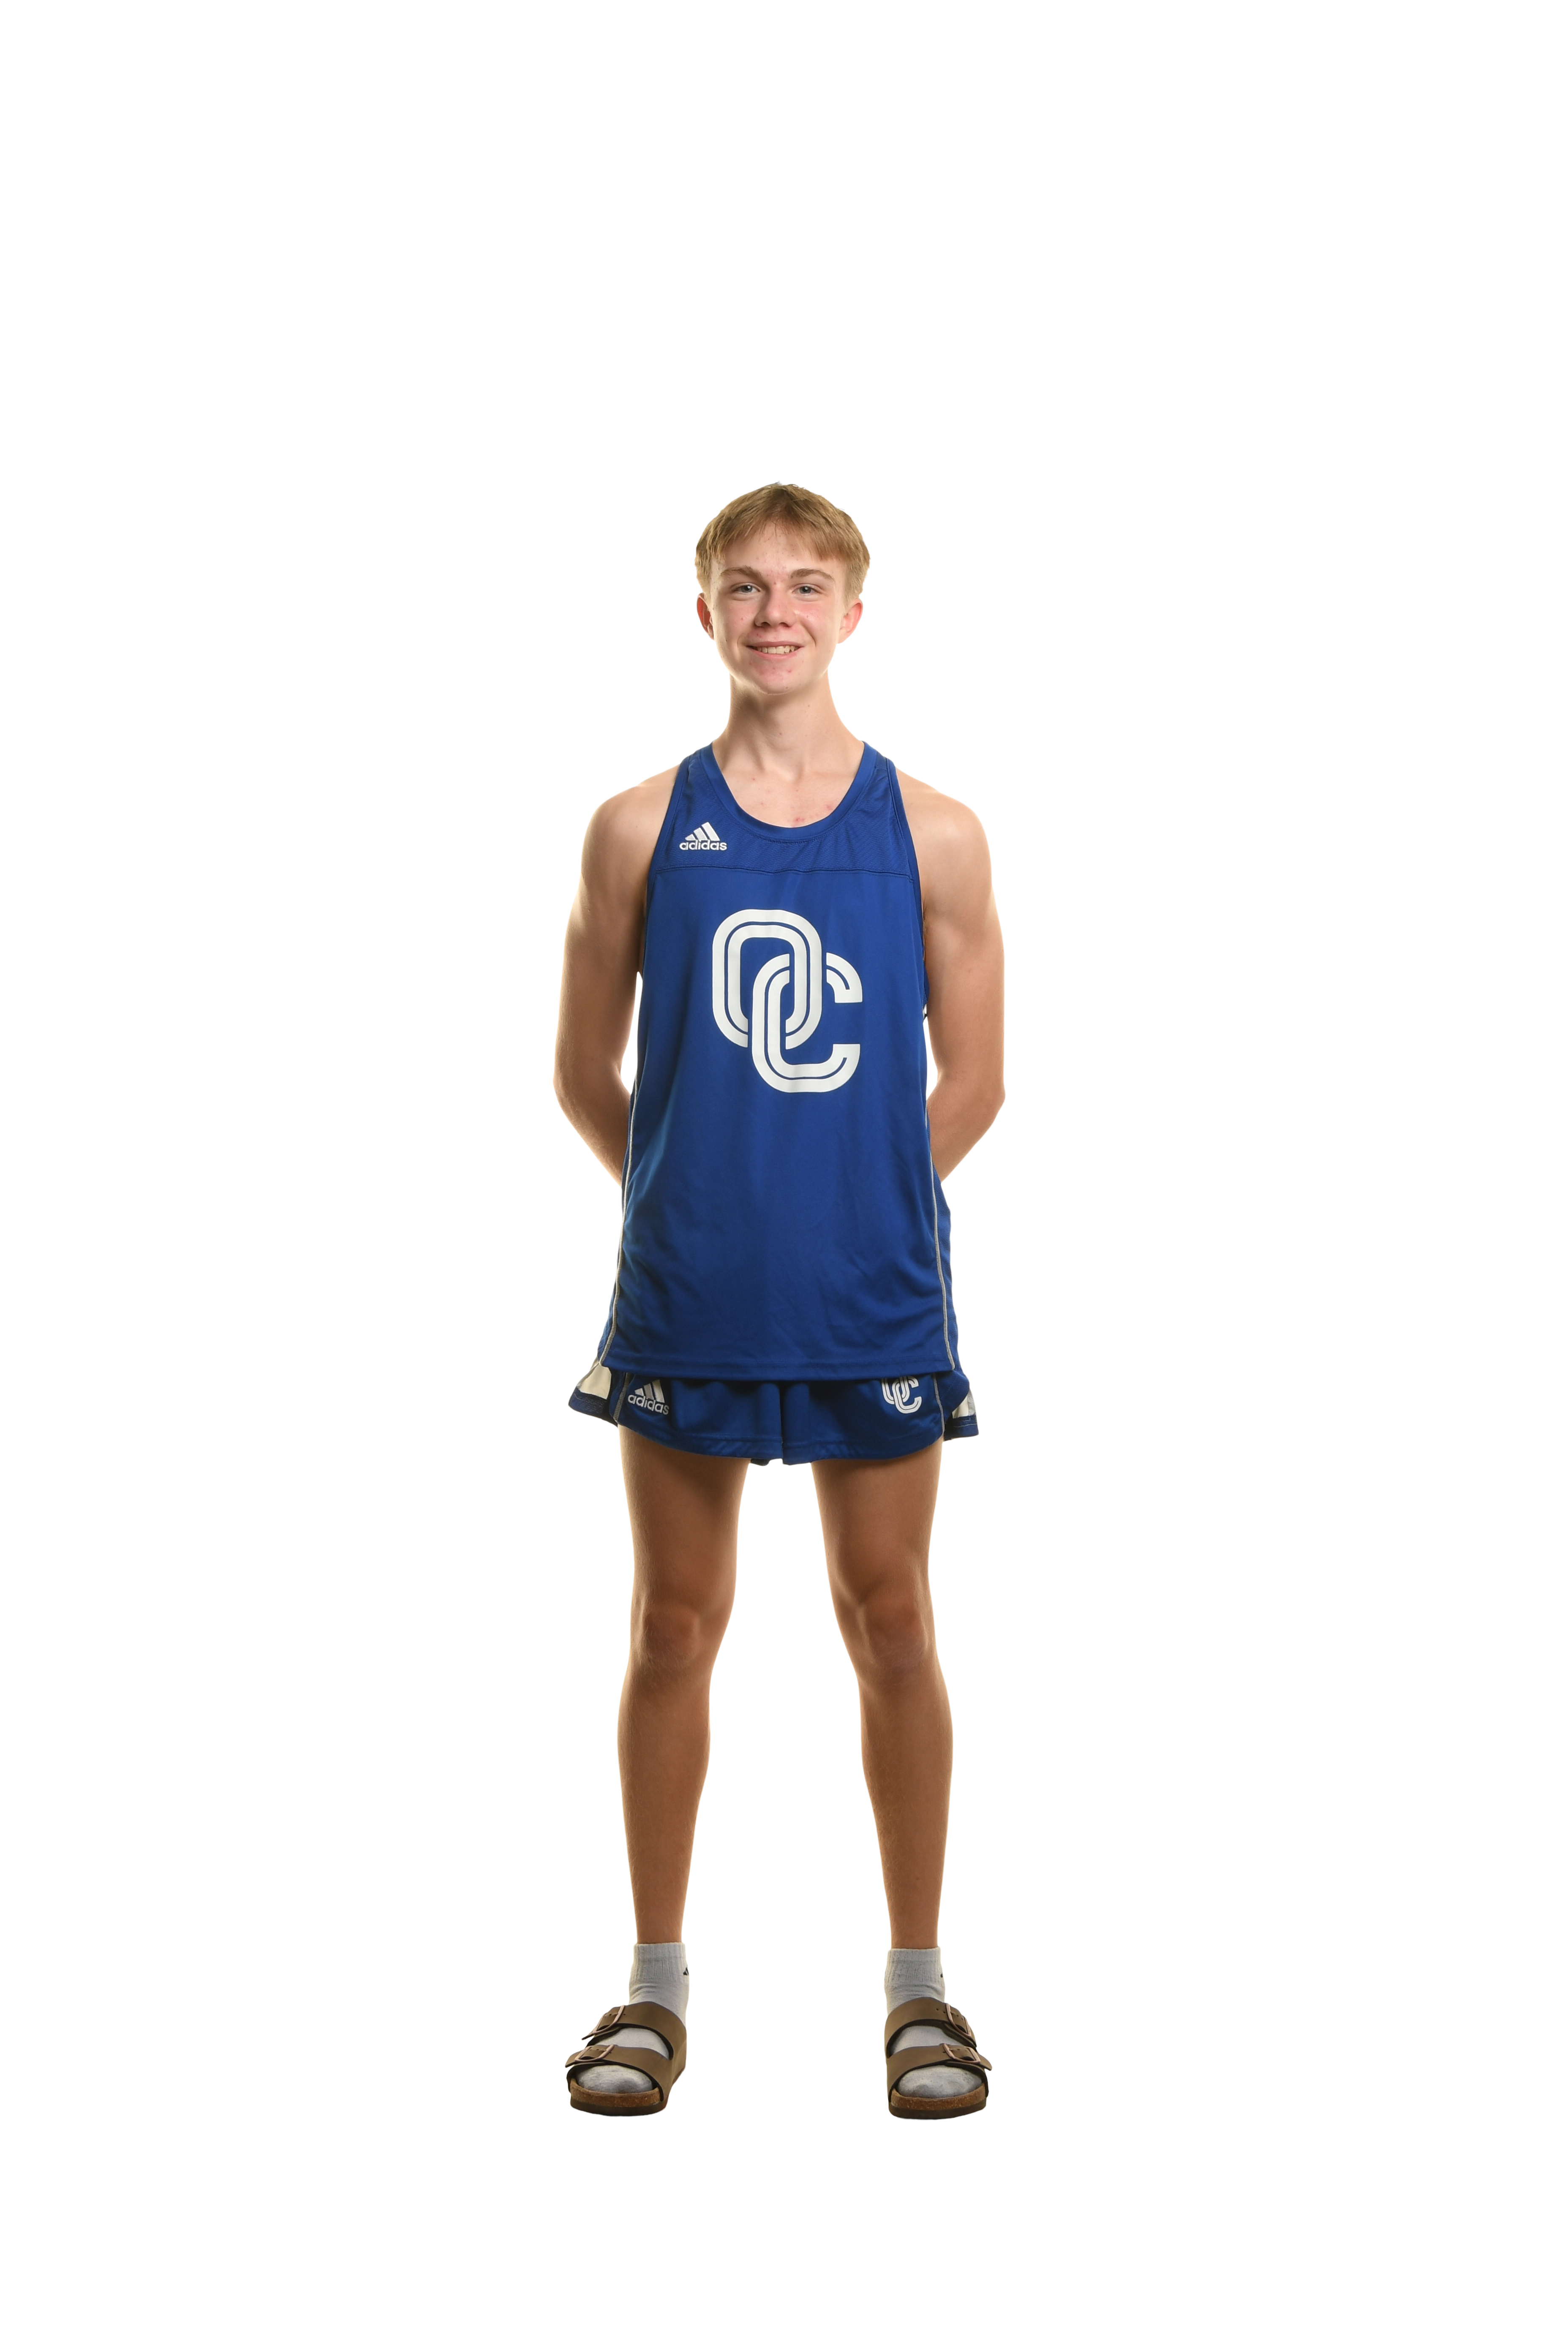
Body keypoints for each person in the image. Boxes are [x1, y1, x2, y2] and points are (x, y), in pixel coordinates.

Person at [553, 481, 1005, 2119]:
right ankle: (653, 1991)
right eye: (743, 586)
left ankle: (920, 1991)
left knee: (893, 1622)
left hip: (873, 1297)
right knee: (672, 1626)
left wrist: (852, 1205)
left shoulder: (934, 830)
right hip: (687, 1297)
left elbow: (979, 1082)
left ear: (852, 613)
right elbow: (581, 1074)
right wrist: (693, 1204)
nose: (775, 613)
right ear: (703, 609)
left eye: (807, 585)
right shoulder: (635, 827)